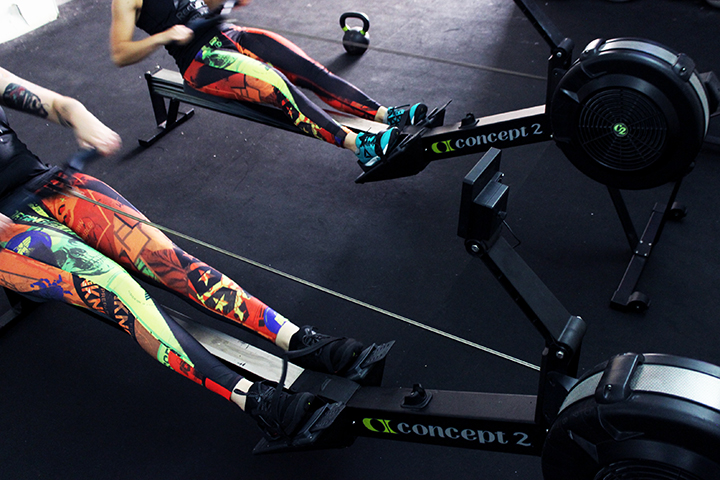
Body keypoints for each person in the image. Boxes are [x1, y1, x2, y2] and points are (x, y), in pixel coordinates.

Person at [0, 66, 367, 440]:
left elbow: (56, 104)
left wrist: (78, 114)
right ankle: (255, 401)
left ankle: (297, 339)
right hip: (7, 227)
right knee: (116, 288)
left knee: (167, 259)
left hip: (46, 183)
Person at [109, 0, 428, 169]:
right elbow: (120, 54)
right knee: (277, 85)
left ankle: (385, 115)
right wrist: (165, 36)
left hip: (229, 34)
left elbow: (207, 5)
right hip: (199, 60)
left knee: (307, 69)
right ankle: (361, 146)